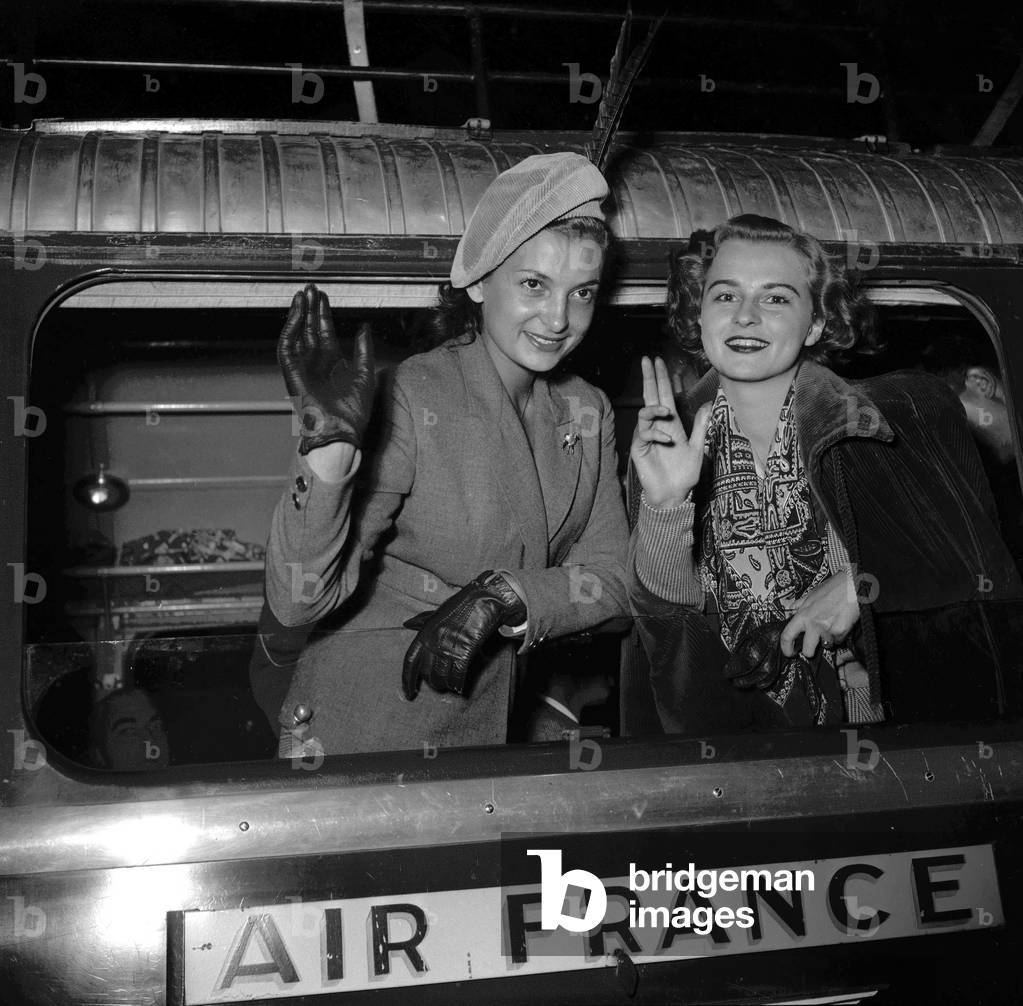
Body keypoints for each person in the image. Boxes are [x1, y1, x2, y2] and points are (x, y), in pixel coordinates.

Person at [263, 152, 630, 756]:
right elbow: (300, 599)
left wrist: (510, 593)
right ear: (480, 282)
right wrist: (327, 457)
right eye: (533, 285)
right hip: (362, 729)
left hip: (488, 728)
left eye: (582, 292)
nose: (558, 318)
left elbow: (615, 581)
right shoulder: (414, 393)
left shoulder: (586, 410)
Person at [628, 214, 1023, 732]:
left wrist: (860, 585)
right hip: (730, 742)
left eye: (775, 298)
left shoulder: (901, 414)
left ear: (815, 322)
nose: (745, 315)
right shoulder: (663, 439)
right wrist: (665, 506)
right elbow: (667, 617)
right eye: (725, 296)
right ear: (698, 316)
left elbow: (983, 568)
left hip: (888, 734)